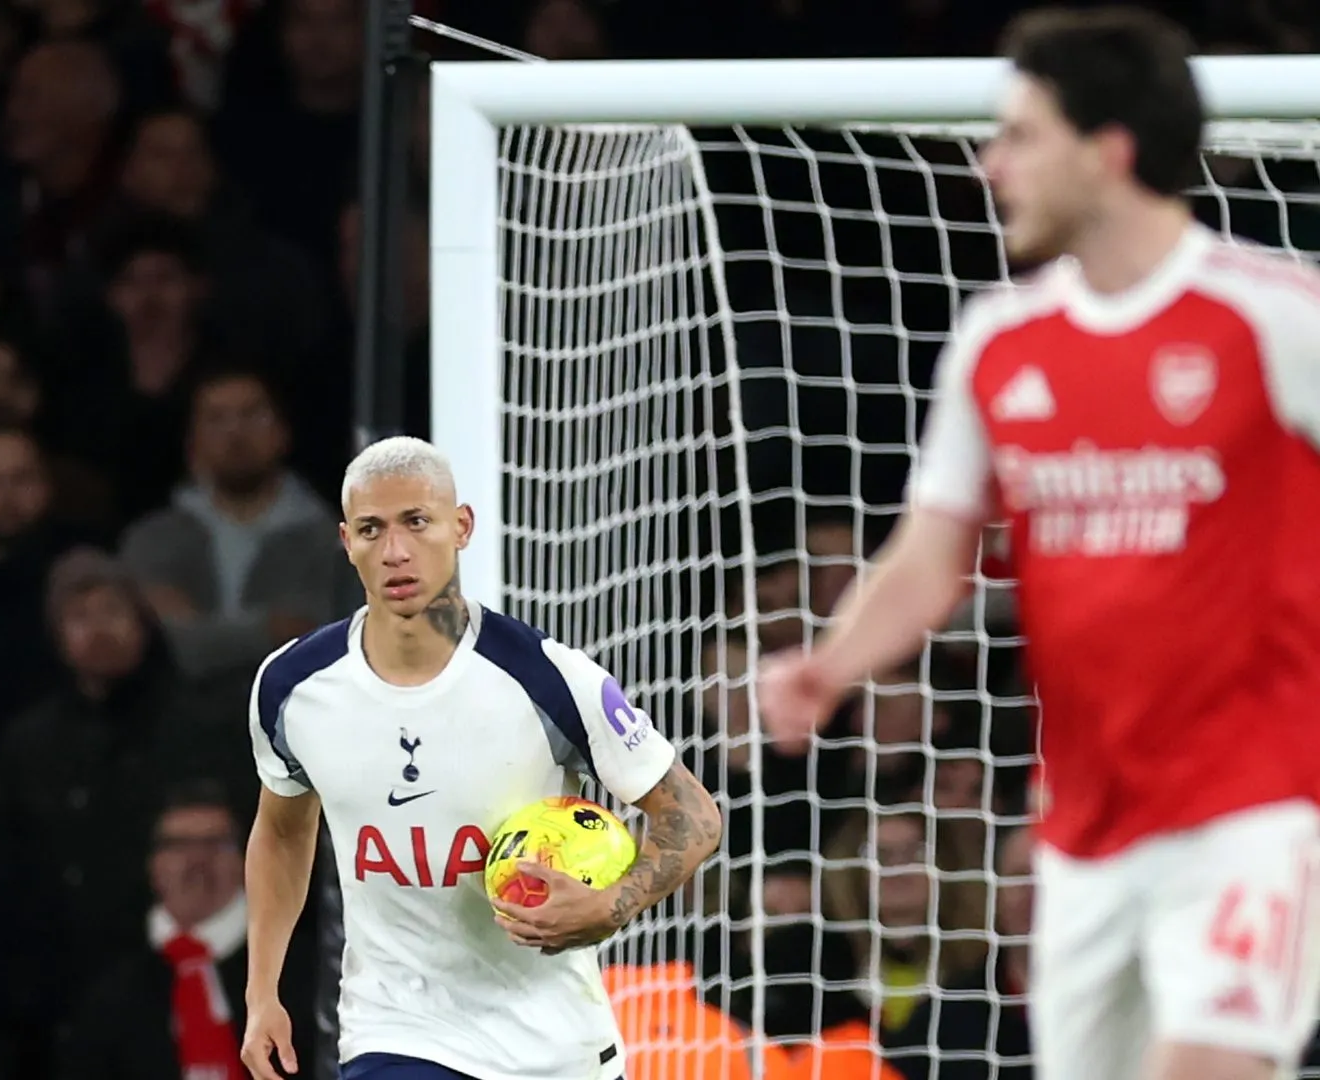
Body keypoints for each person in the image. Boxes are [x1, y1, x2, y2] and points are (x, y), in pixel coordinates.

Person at [758, 10, 1320, 1080]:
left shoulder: (1272, 316)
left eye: (1019, 136)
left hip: (1257, 809)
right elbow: (929, 558)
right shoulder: (997, 342)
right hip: (1083, 832)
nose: (990, 165)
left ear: (1108, 151)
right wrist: (827, 667)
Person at [239, 436, 723, 1080]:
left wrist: (611, 905)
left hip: (553, 1045)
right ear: (346, 541)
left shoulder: (549, 678)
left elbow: (692, 813)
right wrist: (260, 991)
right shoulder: (294, 687)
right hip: (397, 1028)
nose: (395, 551)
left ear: (461, 526)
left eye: (417, 522)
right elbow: (280, 830)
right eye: (371, 529)